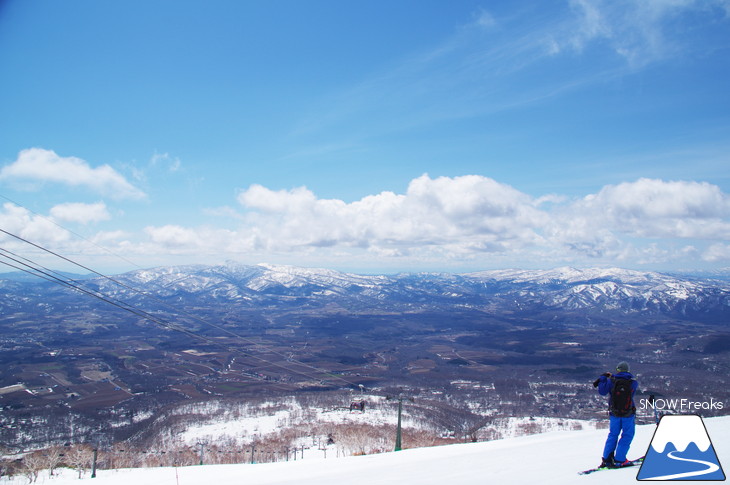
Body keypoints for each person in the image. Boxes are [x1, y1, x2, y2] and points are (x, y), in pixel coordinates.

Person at [593, 361, 638, 468]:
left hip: (615, 413)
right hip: (628, 413)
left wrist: (604, 378)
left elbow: (602, 391)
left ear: (618, 370)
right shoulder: (633, 382)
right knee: (627, 435)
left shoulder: (611, 381)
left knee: (613, 435)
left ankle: (607, 459)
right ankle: (620, 459)